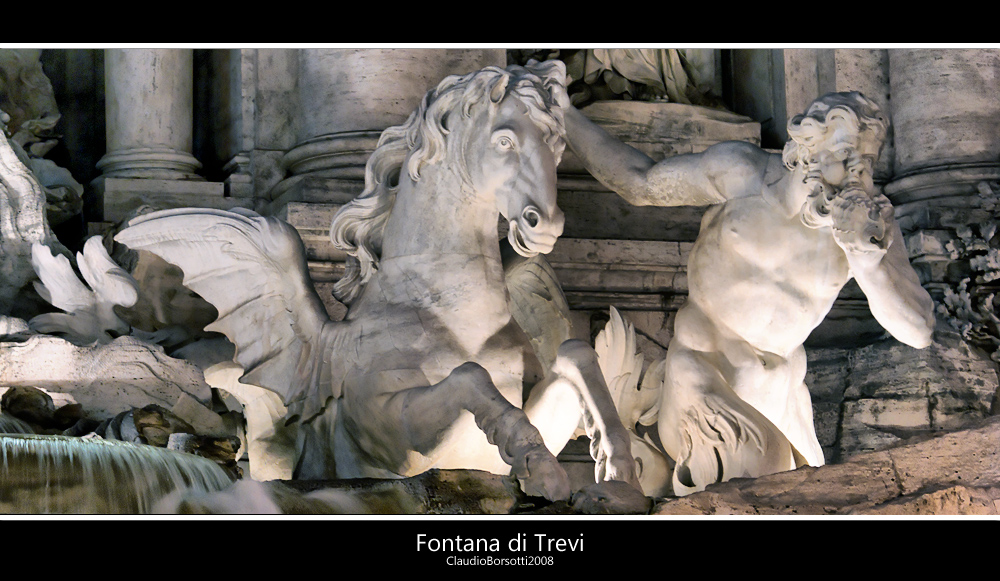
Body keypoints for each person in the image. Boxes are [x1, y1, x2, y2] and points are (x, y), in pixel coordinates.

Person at [555, 88, 936, 495]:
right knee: (762, 476)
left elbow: (918, 331)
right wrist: (564, 115)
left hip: (781, 395)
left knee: (812, 498)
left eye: (866, 163)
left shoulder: (870, 225)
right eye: (845, 156)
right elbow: (641, 183)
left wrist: (865, 258)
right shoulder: (742, 173)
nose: (855, 174)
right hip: (702, 375)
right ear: (806, 147)